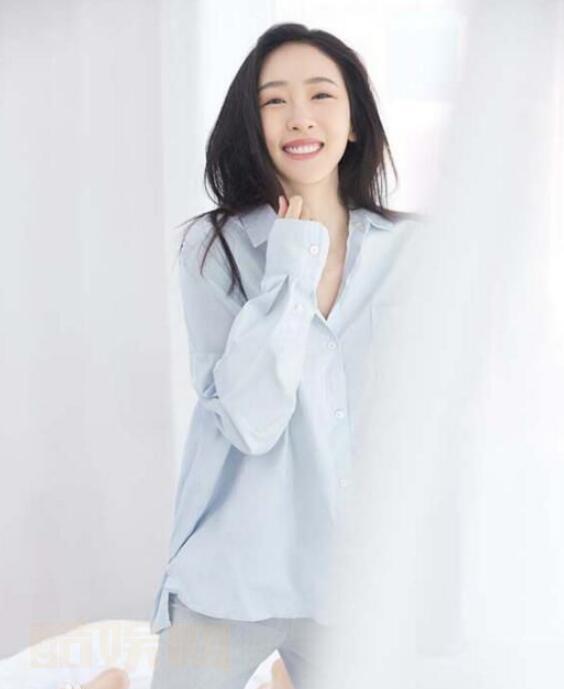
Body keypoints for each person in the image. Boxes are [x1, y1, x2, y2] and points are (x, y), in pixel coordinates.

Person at [149, 21, 420, 689]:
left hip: (351, 585)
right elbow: (251, 420)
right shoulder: (213, 249)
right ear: (254, 123)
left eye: (321, 94)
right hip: (231, 579)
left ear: (353, 122)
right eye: (274, 100)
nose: (299, 116)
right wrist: (292, 267)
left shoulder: (410, 252)